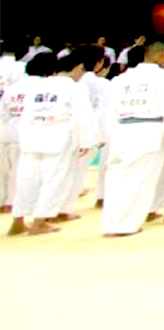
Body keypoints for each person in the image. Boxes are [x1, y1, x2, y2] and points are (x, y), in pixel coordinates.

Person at [98, 40, 164, 236]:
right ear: (161, 56)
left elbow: (110, 110)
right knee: (141, 181)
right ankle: (126, 225)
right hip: (149, 129)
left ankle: (112, 223)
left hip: (122, 130)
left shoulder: (121, 78)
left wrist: (109, 134)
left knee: (117, 180)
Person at [9, 55, 99, 236]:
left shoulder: (37, 86)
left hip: (31, 136)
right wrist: (85, 141)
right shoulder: (75, 88)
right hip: (58, 136)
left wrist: (23, 137)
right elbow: (81, 117)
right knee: (53, 180)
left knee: (27, 179)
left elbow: (25, 115)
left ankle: (17, 222)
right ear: (78, 67)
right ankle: (39, 222)